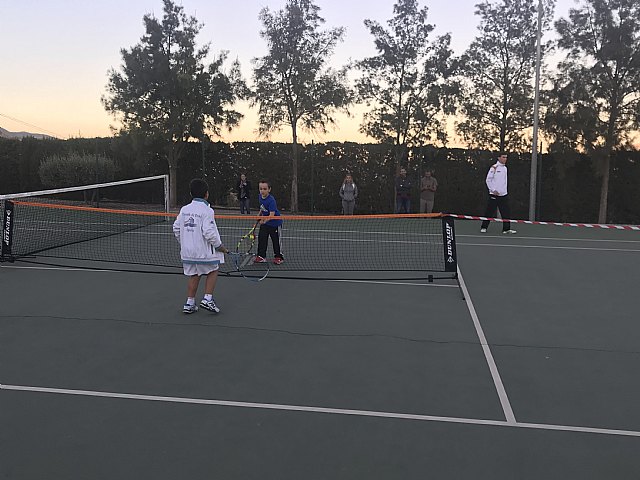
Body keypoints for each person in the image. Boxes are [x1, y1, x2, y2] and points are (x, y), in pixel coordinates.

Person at [173, 178, 228, 314]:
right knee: (213, 269)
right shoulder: (207, 211)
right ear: (206, 194)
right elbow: (209, 233)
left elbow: (176, 228)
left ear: (191, 194)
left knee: (194, 273)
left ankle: (189, 303)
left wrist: (185, 243)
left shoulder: (184, 209)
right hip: (203, 252)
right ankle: (208, 298)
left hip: (187, 253)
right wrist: (220, 246)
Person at [480, 153, 517, 234]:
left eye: (506, 157)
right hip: (494, 195)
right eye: (503, 157)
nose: (505, 159)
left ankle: (506, 229)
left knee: (506, 213)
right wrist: (493, 190)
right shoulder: (494, 167)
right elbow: (488, 180)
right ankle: (484, 227)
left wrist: (504, 192)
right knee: (489, 212)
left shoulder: (505, 168)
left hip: (503, 195)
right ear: (499, 158)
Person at [255, 179, 284, 265]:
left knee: (276, 241)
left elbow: (271, 215)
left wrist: (263, 221)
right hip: (265, 222)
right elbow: (262, 207)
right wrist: (259, 215)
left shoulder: (271, 201)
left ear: (269, 189)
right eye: (261, 189)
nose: (262, 191)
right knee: (262, 239)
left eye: (264, 189)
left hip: (275, 223)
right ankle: (261, 256)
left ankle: (279, 257)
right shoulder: (260, 197)